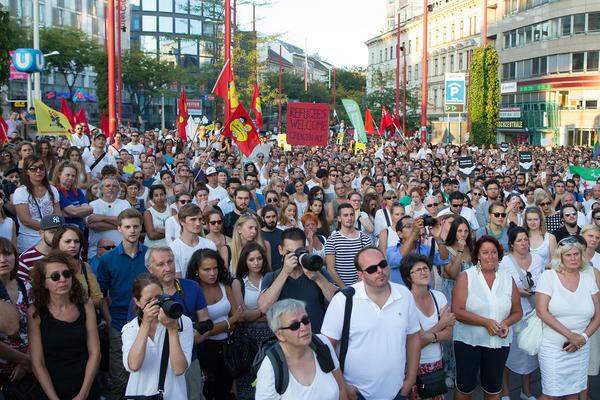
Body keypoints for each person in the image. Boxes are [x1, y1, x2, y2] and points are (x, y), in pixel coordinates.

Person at [321, 246, 421, 400]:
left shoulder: (404, 295)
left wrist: (411, 378)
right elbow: (326, 348)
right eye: (372, 269)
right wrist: (342, 387)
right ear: (360, 275)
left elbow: (413, 337)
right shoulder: (344, 300)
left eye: (383, 264)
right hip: (357, 394)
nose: (380, 270)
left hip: (398, 391)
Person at [452, 236, 523, 400]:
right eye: (485, 252)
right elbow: (457, 311)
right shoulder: (466, 277)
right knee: (464, 387)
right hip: (468, 342)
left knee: (493, 388)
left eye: (494, 252)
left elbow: (517, 311)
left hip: (498, 343)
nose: (490, 256)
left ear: (499, 255)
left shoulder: (507, 278)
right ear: (477, 255)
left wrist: (506, 323)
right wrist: (485, 322)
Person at [28, 251, 100, 399]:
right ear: (43, 282)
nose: (62, 279)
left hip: (85, 384)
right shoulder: (35, 313)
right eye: (55, 276)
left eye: (67, 274)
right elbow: (37, 363)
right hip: (50, 387)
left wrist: (82, 395)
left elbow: (95, 353)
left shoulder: (86, 305)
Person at [535, 236, 600, 399]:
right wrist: (571, 336)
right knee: (551, 394)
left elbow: (598, 314)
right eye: (568, 255)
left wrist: (583, 338)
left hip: (581, 346)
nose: (573, 258)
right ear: (560, 257)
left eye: (576, 254)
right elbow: (541, 311)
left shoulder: (589, 277)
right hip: (553, 348)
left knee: (574, 393)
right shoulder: (548, 277)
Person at [97, 208, 148, 400]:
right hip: (118, 323)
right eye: (127, 227)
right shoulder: (107, 260)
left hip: (147, 321)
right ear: (119, 229)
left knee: (145, 373)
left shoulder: (150, 255)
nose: (132, 230)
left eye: (136, 226)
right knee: (119, 377)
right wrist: (109, 320)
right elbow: (100, 294)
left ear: (141, 227)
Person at [255, 299, 346, 400]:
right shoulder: (270, 367)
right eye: (294, 325)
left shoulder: (322, 343)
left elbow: (341, 389)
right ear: (279, 335)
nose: (303, 327)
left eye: (305, 320)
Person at [122, 273, 193, 400]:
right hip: (140, 395)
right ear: (137, 302)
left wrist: (172, 329)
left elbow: (179, 369)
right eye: (149, 301)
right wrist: (145, 324)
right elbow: (134, 365)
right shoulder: (130, 329)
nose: (155, 304)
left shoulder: (183, 322)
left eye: (159, 298)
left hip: (174, 395)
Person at [186, 248, 242, 400]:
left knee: (226, 390)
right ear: (196, 271)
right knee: (208, 391)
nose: (212, 273)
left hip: (228, 346)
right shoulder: (192, 291)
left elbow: (239, 318)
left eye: (215, 268)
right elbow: (201, 332)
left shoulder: (225, 286)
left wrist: (216, 327)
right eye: (207, 269)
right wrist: (229, 322)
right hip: (205, 349)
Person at [259, 228, 338, 333]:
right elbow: (264, 307)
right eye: (289, 252)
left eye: (298, 251)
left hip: (315, 339)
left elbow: (338, 302)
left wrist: (318, 278)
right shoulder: (272, 277)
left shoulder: (319, 273)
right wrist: (285, 273)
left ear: (305, 249)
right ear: (280, 250)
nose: (295, 256)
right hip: (286, 343)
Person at [399, 254, 456, 400]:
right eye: (418, 270)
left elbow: (448, 335)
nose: (424, 272)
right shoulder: (405, 303)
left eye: (426, 268)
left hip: (436, 363)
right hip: (412, 367)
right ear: (408, 277)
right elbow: (413, 344)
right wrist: (441, 324)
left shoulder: (439, 297)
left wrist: (426, 336)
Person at [498, 227, 544, 400]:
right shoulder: (504, 263)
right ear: (511, 244)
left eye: (526, 239)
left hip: (534, 313)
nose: (524, 243)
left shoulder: (538, 259)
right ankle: (506, 392)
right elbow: (501, 287)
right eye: (519, 240)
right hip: (512, 314)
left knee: (530, 353)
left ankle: (526, 391)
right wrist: (517, 291)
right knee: (509, 353)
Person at [231, 242, 273, 399]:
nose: (256, 263)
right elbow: (241, 315)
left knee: (269, 378)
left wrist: (253, 312)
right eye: (251, 259)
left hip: (270, 334)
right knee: (247, 380)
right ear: (244, 261)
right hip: (247, 337)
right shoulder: (239, 282)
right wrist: (263, 310)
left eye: (259, 258)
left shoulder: (270, 279)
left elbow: (275, 311)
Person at [13, 155, 61, 252]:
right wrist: (50, 228)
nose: (38, 171)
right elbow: (25, 220)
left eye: (41, 168)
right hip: (29, 242)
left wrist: (52, 232)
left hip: (51, 241)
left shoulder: (52, 190)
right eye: (33, 169)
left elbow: (58, 216)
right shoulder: (21, 191)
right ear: (26, 171)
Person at [0, 238, 31, 390]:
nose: (2, 260)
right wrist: (25, 361)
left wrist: (29, 362)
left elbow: (38, 326)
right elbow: (11, 328)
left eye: (7, 254)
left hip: (30, 365)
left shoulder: (26, 286)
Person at [387, 216, 449, 285]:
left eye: (415, 225)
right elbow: (398, 260)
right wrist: (414, 232)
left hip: (424, 293)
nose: (414, 228)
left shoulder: (425, 249)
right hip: (403, 294)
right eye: (409, 226)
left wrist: (438, 238)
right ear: (400, 234)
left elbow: (444, 259)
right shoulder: (391, 251)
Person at [325, 203, 373, 287]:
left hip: (361, 287)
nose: (349, 218)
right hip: (339, 289)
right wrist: (344, 289)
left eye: (352, 215)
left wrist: (356, 286)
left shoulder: (365, 238)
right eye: (345, 215)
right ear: (339, 218)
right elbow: (330, 269)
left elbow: (368, 264)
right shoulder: (332, 240)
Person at [86, 176, 131, 259]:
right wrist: (120, 226)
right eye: (107, 186)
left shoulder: (125, 203)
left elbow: (128, 222)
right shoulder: (93, 204)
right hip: (97, 253)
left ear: (118, 189)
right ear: (101, 189)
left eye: (114, 186)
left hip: (121, 252)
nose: (111, 188)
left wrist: (102, 217)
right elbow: (94, 225)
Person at [172, 203, 217, 278]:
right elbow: (178, 279)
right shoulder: (174, 248)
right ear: (182, 222)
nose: (198, 223)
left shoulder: (210, 244)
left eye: (200, 219)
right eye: (193, 219)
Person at [17, 214, 64, 282]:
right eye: (52, 232)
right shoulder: (26, 258)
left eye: (60, 231)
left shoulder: (66, 253)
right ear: (41, 233)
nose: (57, 235)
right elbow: (21, 288)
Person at [53, 160, 93, 233]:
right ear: (59, 175)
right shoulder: (56, 191)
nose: (71, 178)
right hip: (65, 232)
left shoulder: (77, 191)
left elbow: (88, 209)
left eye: (73, 176)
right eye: (67, 175)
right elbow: (74, 211)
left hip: (80, 231)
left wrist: (66, 213)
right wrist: (80, 211)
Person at [260, 204, 283, 269]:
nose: (271, 220)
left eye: (273, 216)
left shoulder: (282, 233)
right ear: (263, 218)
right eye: (268, 217)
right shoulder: (258, 235)